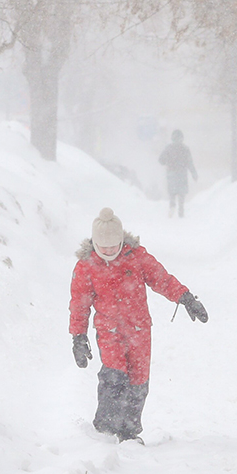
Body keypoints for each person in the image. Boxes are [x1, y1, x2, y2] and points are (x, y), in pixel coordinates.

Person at [69, 207, 209, 443]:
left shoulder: (137, 257)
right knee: (114, 376)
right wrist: (78, 337)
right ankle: (105, 428)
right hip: (109, 330)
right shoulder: (87, 267)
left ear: (122, 241)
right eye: (104, 248)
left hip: (139, 329)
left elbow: (161, 279)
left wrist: (185, 297)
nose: (110, 251)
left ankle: (129, 431)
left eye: (114, 246)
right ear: (95, 244)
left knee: (138, 380)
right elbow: (79, 305)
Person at [158, 130, 198, 218]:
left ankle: (172, 206)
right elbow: (190, 162)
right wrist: (194, 173)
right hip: (182, 174)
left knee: (172, 192)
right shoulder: (185, 149)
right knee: (181, 193)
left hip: (171, 173)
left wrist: (167, 161)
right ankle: (181, 210)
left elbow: (161, 160)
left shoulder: (168, 148)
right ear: (182, 138)